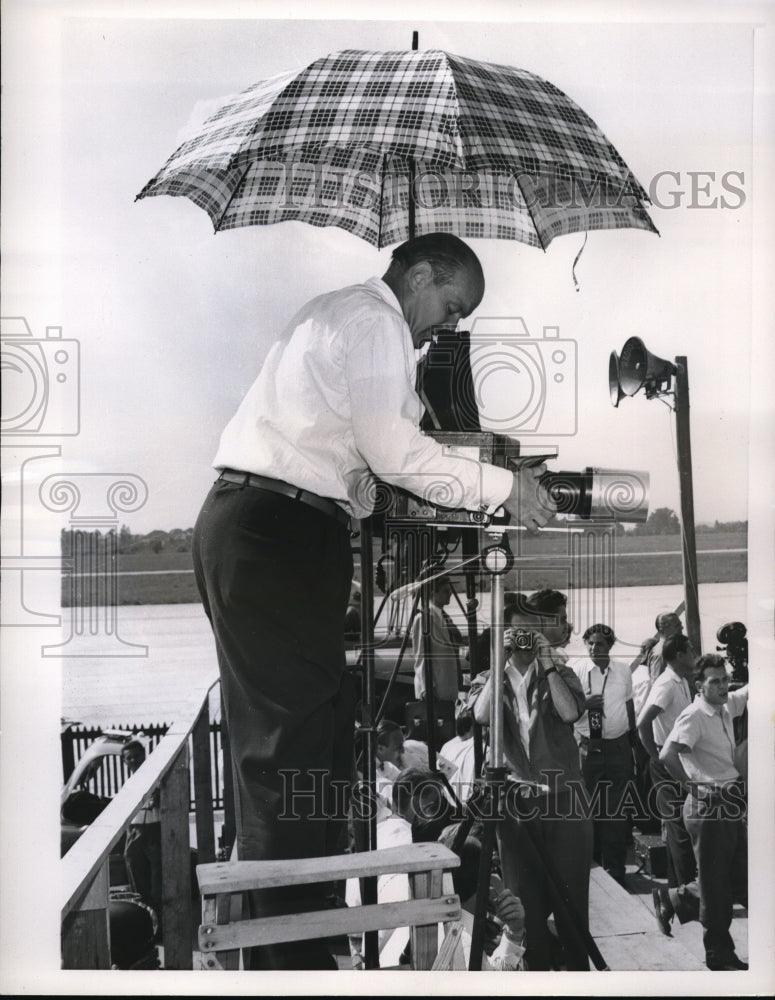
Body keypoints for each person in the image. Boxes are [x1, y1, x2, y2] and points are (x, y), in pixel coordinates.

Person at [191, 232, 555, 969]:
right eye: (450, 307)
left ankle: (310, 932)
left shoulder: (349, 318)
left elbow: (351, 453)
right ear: (418, 276)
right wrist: (501, 486)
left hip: (288, 528)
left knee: (320, 739)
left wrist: (373, 479)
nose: (446, 327)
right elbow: (394, 452)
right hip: (272, 532)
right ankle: (283, 958)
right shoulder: (375, 319)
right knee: (285, 750)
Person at [468, 598, 593, 971]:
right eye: (515, 632)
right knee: (526, 912)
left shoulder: (560, 673)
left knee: (572, 910)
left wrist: (546, 660)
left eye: (529, 631)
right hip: (517, 806)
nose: (522, 639)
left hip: (564, 802)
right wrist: (497, 663)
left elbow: (570, 712)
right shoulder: (488, 679)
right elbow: (481, 715)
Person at [659, 654, 748, 971]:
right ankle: (718, 953)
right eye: (715, 681)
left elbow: (750, 691)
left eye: (725, 680)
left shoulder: (723, 706)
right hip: (709, 806)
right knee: (715, 884)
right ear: (699, 686)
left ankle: (676, 899)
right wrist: (693, 787)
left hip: (730, 799)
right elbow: (668, 755)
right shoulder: (695, 714)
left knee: (742, 876)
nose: (724, 686)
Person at [636, 633, 699, 934]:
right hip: (667, 763)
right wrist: (656, 755)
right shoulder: (666, 684)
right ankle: (683, 897)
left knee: (680, 829)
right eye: (690, 650)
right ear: (678, 655)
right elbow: (643, 721)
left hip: (679, 761)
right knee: (680, 829)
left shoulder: (682, 680)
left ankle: (676, 895)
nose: (695, 654)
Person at [572, 624, 635, 887]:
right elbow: (564, 708)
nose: (593, 648)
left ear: (610, 646)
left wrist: (633, 744)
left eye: (599, 644)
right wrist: (585, 704)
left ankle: (616, 872)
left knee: (616, 812)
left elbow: (629, 704)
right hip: (588, 747)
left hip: (618, 746)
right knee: (585, 810)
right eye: (589, 643)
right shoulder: (576, 670)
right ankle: (589, 872)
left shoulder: (622, 670)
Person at [121, 741, 162, 929]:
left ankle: (159, 925)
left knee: (157, 884)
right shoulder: (128, 784)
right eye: (129, 758)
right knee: (138, 885)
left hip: (154, 831)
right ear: (124, 762)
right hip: (135, 833)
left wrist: (159, 796)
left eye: (136, 756)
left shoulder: (156, 777)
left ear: (144, 755)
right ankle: (146, 925)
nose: (133, 760)